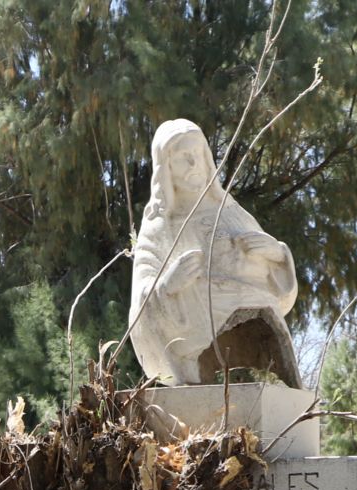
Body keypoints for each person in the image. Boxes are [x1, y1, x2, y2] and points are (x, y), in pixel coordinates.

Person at [128, 118, 300, 386]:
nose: (194, 164)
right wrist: (167, 286)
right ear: (166, 167)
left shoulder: (232, 212)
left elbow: (281, 298)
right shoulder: (161, 226)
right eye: (183, 157)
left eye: (197, 154)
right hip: (193, 336)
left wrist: (278, 256)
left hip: (259, 322)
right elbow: (140, 303)